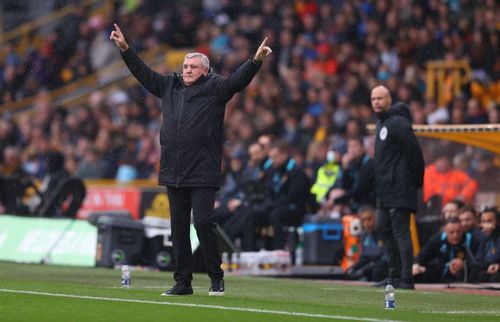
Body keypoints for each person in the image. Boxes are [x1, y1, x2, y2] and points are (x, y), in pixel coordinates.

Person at [110, 23, 272, 296]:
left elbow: (237, 82)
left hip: (202, 169)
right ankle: (183, 282)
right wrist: (126, 49)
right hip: (173, 169)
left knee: (204, 223)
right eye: (185, 66)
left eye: (193, 67)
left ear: (205, 71)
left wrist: (255, 61)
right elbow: (143, 74)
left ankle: (216, 277)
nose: (187, 70)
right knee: (178, 228)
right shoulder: (168, 85)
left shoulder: (216, 87)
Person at [371, 85, 425, 289]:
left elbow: (415, 154)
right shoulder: (382, 124)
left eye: (380, 98)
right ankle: (393, 275)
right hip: (385, 189)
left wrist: (415, 183)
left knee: (400, 231)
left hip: (400, 186)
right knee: (383, 229)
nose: (376, 102)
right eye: (373, 98)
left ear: (389, 100)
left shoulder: (399, 123)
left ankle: (406, 278)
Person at [412, 217, 477, 283]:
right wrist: (416, 265)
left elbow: (478, 261)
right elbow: (422, 255)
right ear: (445, 231)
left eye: (458, 231)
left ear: (462, 229)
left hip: (467, 275)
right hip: (442, 275)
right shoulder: (438, 239)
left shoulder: (471, 240)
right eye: (451, 232)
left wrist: (464, 265)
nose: (455, 235)